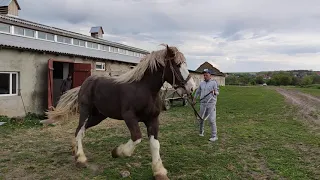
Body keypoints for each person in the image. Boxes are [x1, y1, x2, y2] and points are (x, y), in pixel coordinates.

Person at [193, 69, 219, 142]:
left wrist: (214, 92)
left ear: (210, 75)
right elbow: (197, 92)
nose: (205, 76)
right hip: (203, 103)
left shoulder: (214, 83)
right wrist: (194, 99)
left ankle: (214, 136)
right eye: (204, 75)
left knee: (211, 120)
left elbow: (217, 92)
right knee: (201, 119)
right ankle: (201, 132)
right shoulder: (202, 83)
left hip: (211, 104)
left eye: (206, 75)